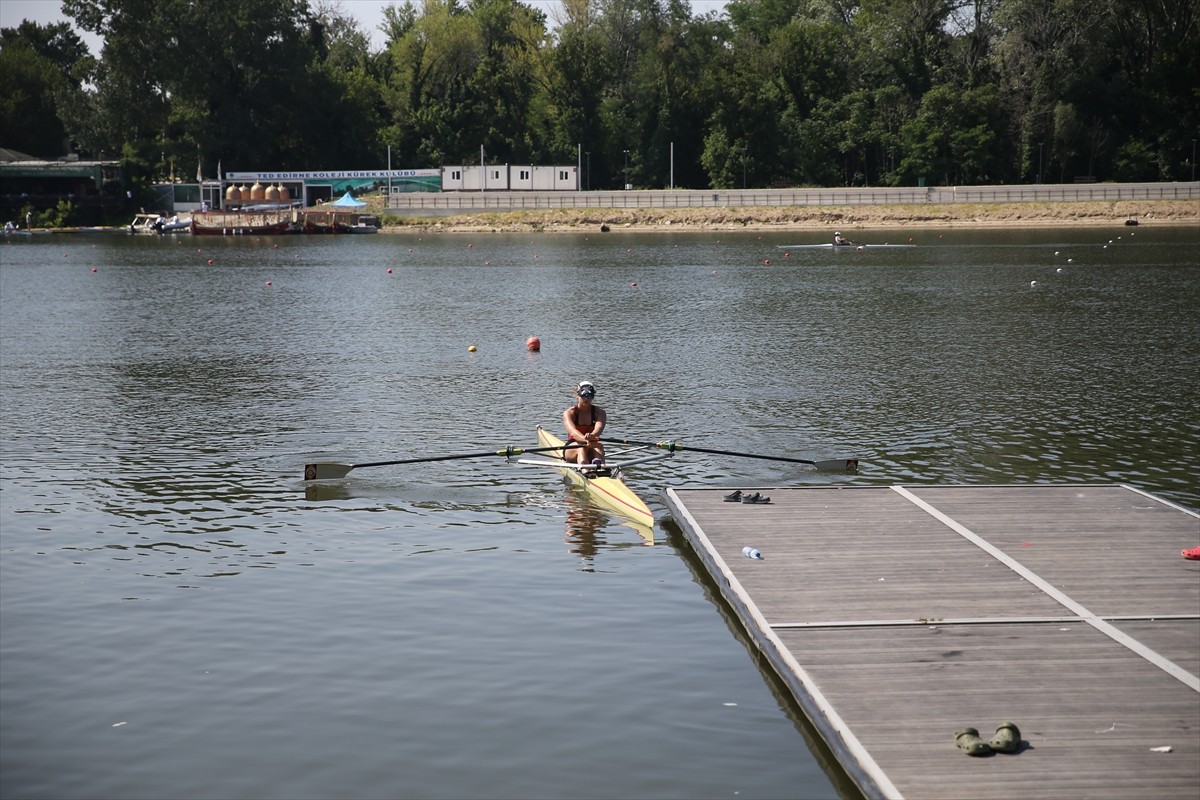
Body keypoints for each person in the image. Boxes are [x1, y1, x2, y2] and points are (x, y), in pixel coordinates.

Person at [563, 380, 606, 466]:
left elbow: (599, 428)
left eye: (589, 396)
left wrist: (592, 435)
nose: (586, 399)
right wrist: (585, 440)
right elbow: (573, 432)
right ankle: (586, 471)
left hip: (592, 444)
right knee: (581, 447)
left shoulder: (600, 413)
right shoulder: (569, 413)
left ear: (593, 396)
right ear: (577, 395)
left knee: (599, 446)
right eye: (584, 396)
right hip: (573, 446)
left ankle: (602, 469)